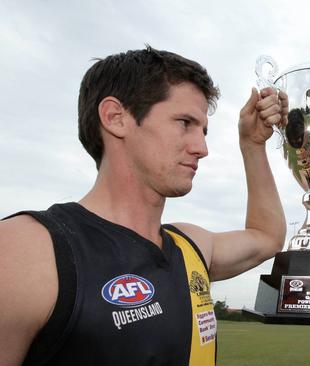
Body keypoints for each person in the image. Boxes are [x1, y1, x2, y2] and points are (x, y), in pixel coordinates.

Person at [0, 46, 288, 365]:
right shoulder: (26, 251)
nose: (202, 148)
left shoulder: (191, 247)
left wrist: (252, 144)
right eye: (184, 123)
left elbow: (267, 237)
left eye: (203, 130)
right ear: (115, 118)